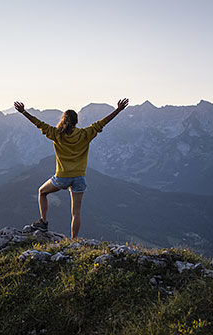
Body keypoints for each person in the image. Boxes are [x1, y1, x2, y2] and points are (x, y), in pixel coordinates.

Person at [14, 98, 129, 239]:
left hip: (62, 177)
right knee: (76, 213)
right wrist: (118, 110)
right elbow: (102, 122)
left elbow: (39, 124)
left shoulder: (57, 134)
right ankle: (73, 241)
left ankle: (43, 221)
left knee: (42, 192)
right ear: (76, 122)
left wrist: (24, 112)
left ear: (63, 120)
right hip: (80, 177)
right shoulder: (85, 134)